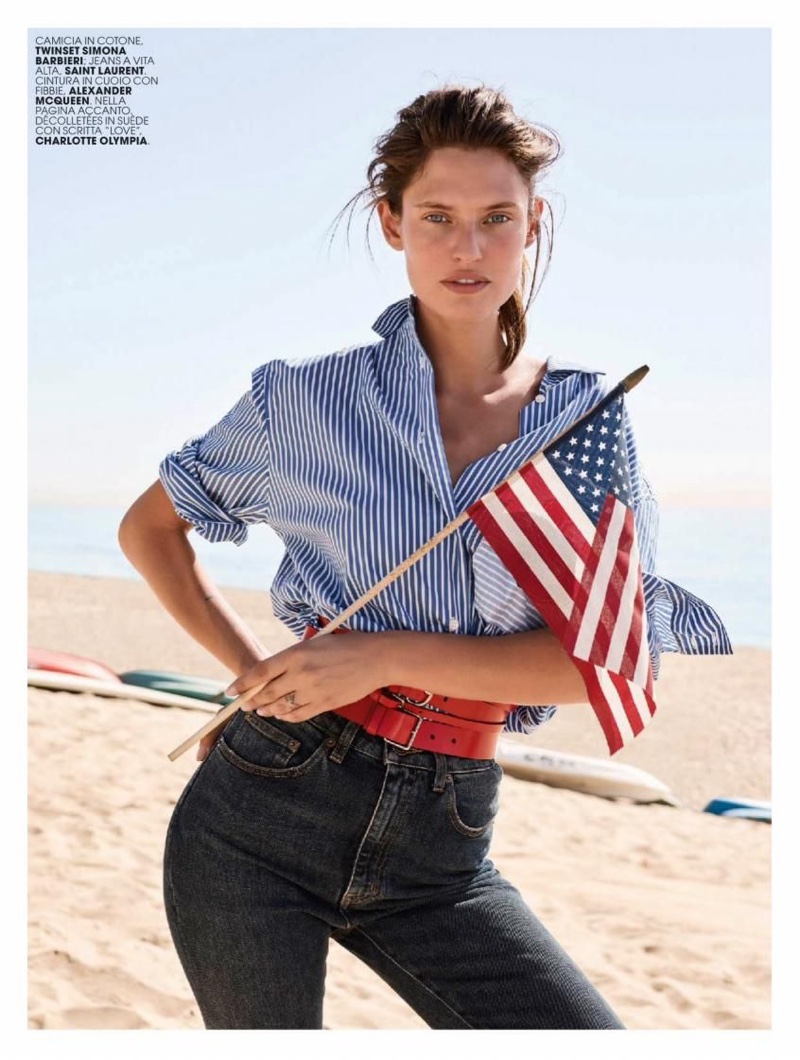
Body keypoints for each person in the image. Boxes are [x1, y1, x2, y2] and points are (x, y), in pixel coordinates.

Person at [118, 84, 729, 1030]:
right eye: (438, 217)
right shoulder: (304, 404)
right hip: (262, 807)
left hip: (444, 844)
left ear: (535, 226)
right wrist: (251, 675)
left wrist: (386, 654)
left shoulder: (583, 425)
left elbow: (606, 661)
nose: (469, 249)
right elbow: (150, 528)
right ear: (391, 222)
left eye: (498, 219)